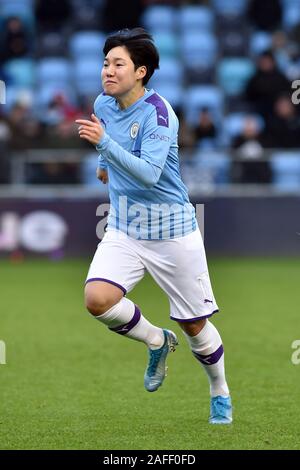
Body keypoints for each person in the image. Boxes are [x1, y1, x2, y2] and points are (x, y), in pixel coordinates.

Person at [76, 28, 232, 424]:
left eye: (118, 64)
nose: (107, 71)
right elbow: (110, 158)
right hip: (125, 228)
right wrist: (103, 164)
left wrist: (104, 145)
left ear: (141, 71)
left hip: (172, 231)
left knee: (195, 325)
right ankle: (156, 340)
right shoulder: (103, 103)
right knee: (97, 299)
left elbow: (148, 174)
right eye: (105, 63)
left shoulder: (160, 114)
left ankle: (219, 390)